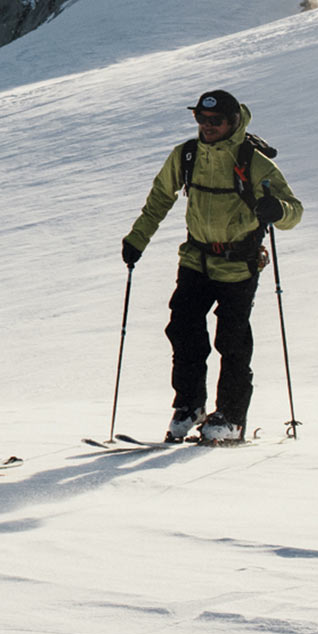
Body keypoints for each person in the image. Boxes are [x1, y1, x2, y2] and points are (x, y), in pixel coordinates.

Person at [121, 90, 302, 444]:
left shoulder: (254, 161)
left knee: (231, 341)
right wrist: (136, 240)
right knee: (183, 329)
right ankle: (190, 406)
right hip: (196, 259)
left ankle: (231, 417)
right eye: (200, 120)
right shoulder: (187, 155)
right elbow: (160, 197)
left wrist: (277, 210)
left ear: (233, 120)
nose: (206, 127)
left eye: (214, 121)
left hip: (239, 264)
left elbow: (293, 209)